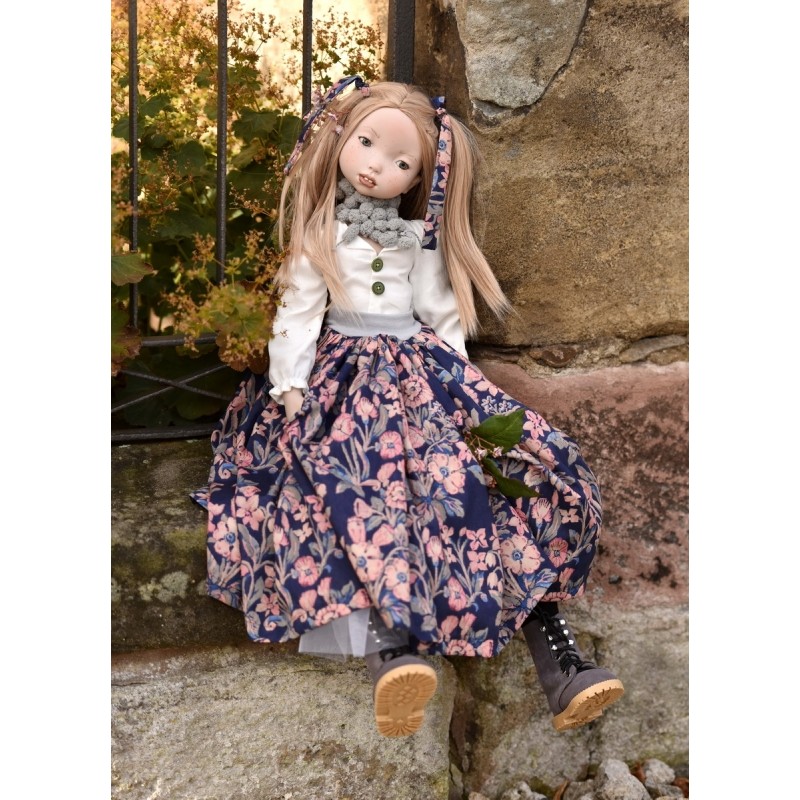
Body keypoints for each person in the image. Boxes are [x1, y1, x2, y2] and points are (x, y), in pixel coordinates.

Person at [193, 77, 624, 738]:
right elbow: (298, 316)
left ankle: (559, 664)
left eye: (400, 161)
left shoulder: (417, 240)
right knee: (353, 485)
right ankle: (390, 651)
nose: (376, 166)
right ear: (341, 139)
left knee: (509, 476)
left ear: (420, 177)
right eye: (366, 144)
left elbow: (441, 313)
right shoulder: (320, 235)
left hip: (421, 373)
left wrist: (462, 387)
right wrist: (290, 385)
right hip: (340, 377)